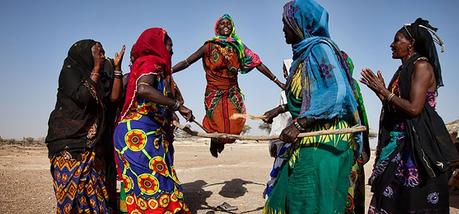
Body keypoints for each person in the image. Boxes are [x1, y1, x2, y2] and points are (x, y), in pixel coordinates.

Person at [261, 0, 365, 213]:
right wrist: (280, 110)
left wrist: (299, 124)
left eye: (286, 22)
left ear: (300, 23)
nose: (283, 28)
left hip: (326, 142)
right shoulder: (303, 56)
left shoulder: (320, 48)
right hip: (309, 139)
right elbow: (309, 98)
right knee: (288, 197)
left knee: (308, 201)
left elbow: (337, 92)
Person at [360, 18, 459, 213]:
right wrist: (381, 93)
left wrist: (386, 93)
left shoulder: (421, 66)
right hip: (400, 144)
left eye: (397, 40)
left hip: (416, 149)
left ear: (411, 43)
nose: (392, 44)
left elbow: (414, 109)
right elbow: (397, 109)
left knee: (412, 201)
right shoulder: (403, 70)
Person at [171, 14, 285, 158]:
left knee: (234, 123)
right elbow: (187, 62)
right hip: (214, 92)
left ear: (232, 28)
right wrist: (169, 70)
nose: (226, 25)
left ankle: (221, 142)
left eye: (228, 23)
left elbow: (258, 63)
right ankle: (215, 140)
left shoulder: (238, 46)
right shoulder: (208, 46)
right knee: (216, 123)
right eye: (222, 23)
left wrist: (277, 81)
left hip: (232, 91)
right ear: (217, 28)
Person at [113, 28, 193, 213]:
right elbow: (143, 89)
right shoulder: (151, 63)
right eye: (168, 45)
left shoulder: (160, 71)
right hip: (137, 137)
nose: (171, 50)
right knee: (153, 187)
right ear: (156, 45)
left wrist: (174, 109)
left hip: (150, 134)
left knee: (160, 184)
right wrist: (177, 106)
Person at [45, 39, 125, 213]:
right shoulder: (69, 72)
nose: (103, 57)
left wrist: (117, 68)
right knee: (71, 199)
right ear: (87, 55)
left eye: (103, 53)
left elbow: (113, 98)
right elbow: (84, 97)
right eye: (98, 53)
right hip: (68, 143)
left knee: (96, 198)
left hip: (92, 146)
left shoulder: (101, 78)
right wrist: (96, 67)